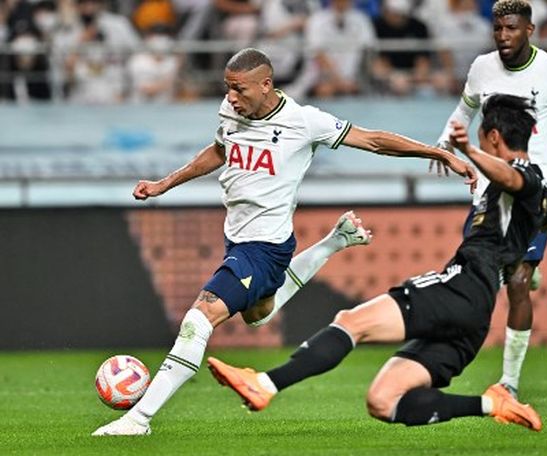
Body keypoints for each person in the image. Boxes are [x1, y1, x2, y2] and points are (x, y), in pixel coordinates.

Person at [92, 47, 473, 436]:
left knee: (198, 320)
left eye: (239, 89)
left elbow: (373, 140)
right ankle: (332, 243)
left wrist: (437, 151)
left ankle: (138, 419)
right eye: (227, 89)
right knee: (258, 316)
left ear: (266, 85)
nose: (231, 97)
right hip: (240, 240)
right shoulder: (232, 111)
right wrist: (164, 184)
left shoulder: (304, 122)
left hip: (263, 249)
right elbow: (219, 150)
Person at [207, 94, 547, 432]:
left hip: (461, 286)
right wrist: (522, 248)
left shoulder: (523, 174)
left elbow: (512, 178)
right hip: (476, 313)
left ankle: (265, 384)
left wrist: (467, 149)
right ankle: (493, 404)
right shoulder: (539, 192)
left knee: (351, 322)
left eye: (482, 135)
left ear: (492, 136)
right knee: (383, 401)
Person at [431, 0, 547, 399]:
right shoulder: (481, 68)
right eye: (497, 29)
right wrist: (444, 144)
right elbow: (464, 110)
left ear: (529, 29)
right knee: (476, 282)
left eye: (511, 28)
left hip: (533, 189)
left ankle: (509, 381)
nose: (503, 36)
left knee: (517, 282)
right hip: (488, 190)